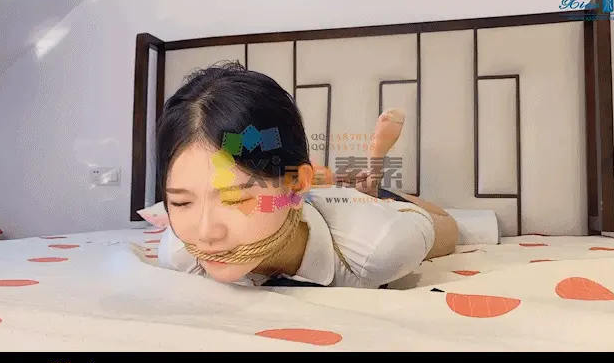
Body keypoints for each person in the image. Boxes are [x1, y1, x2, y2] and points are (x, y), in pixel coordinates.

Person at [156, 61, 458, 289]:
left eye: (235, 199)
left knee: (419, 214)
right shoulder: (180, 254)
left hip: (357, 209)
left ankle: (374, 190)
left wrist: (387, 206)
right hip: (309, 192)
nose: (206, 234)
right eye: (182, 203)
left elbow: (448, 229)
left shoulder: (381, 246)